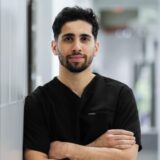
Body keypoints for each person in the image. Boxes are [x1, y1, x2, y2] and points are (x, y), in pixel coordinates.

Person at [23, 6, 142, 160]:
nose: (77, 47)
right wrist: (98, 147)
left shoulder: (120, 94)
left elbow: (127, 158)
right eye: (68, 39)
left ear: (96, 47)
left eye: (84, 39)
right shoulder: (37, 102)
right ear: (54, 47)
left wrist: (67, 149)